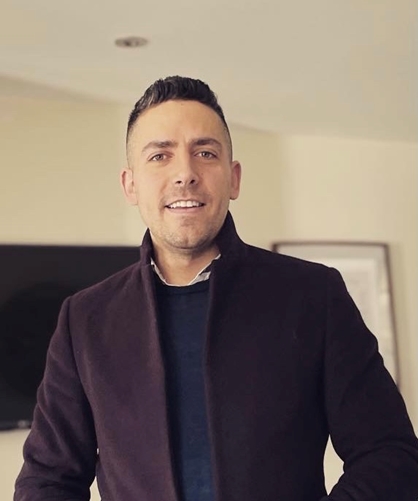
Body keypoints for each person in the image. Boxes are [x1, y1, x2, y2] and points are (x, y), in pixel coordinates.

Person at [14, 76, 418, 501]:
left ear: (233, 178)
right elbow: (47, 480)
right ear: (130, 185)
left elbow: (390, 455)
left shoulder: (315, 296)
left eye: (205, 153)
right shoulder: (85, 320)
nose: (185, 174)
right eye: (160, 156)